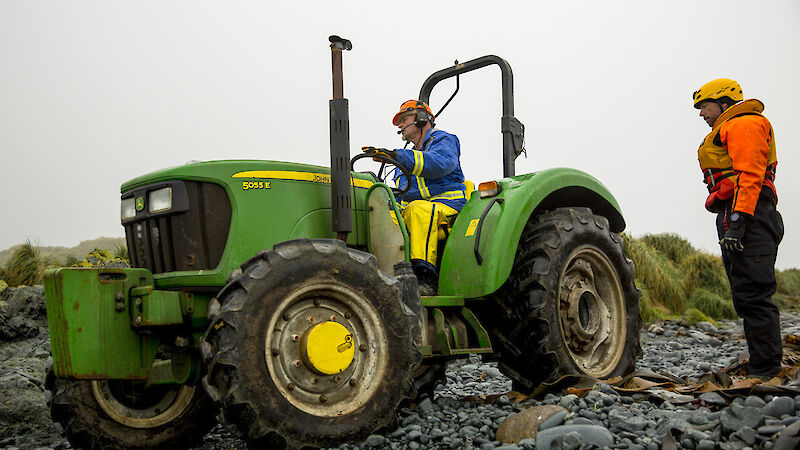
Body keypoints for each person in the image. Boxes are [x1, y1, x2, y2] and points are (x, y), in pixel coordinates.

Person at [693, 78, 784, 378]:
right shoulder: (728, 128)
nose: (701, 113)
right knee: (744, 293)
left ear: (723, 103)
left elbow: (749, 175)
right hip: (737, 212)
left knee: (755, 293)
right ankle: (762, 361)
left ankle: (767, 367)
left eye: (703, 106)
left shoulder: (743, 123)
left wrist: (739, 221)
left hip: (750, 213)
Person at [362, 99, 467, 294]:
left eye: (404, 119)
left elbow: (441, 163)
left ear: (421, 118)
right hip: (419, 208)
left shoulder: (442, 140)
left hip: (449, 205)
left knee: (418, 210)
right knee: (383, 217)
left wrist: (397, 156)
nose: (400, 125)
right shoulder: (408, 156)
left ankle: (425, 277)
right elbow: (403, 194)